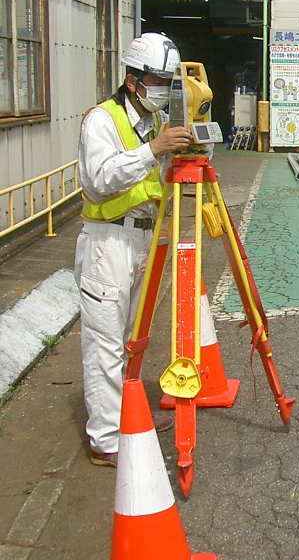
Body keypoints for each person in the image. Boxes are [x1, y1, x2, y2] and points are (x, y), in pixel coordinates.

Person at [75, 33, 194, 468]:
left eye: (169, 80)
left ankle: (128, 418)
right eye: (157, 79)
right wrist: (152, 151)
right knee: (105, 342)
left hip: (144, 236)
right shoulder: (102, 121)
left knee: (129, 339)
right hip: (108, 241)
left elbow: (154, 179)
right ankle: (106, 439)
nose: (163, 87)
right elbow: (97, 180)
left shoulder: (156, 125)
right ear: (132, 80)